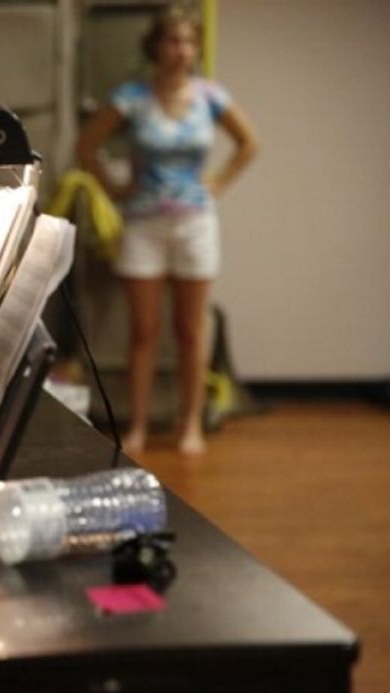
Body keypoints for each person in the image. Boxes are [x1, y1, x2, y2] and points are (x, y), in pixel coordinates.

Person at [76, 3, 257, 455]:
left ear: (196, 48)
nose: (181, 50)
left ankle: (190, 423)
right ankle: (136, 425)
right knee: (144, 333)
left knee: (191, 330)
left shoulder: (210, 96)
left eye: (188, 42)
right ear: (156, 46)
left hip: (194, 223)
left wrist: (217, 183)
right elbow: (87, 145)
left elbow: (249, 143)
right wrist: (115, 188)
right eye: (173, 41)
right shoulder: (131, 97)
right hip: (143, 224)